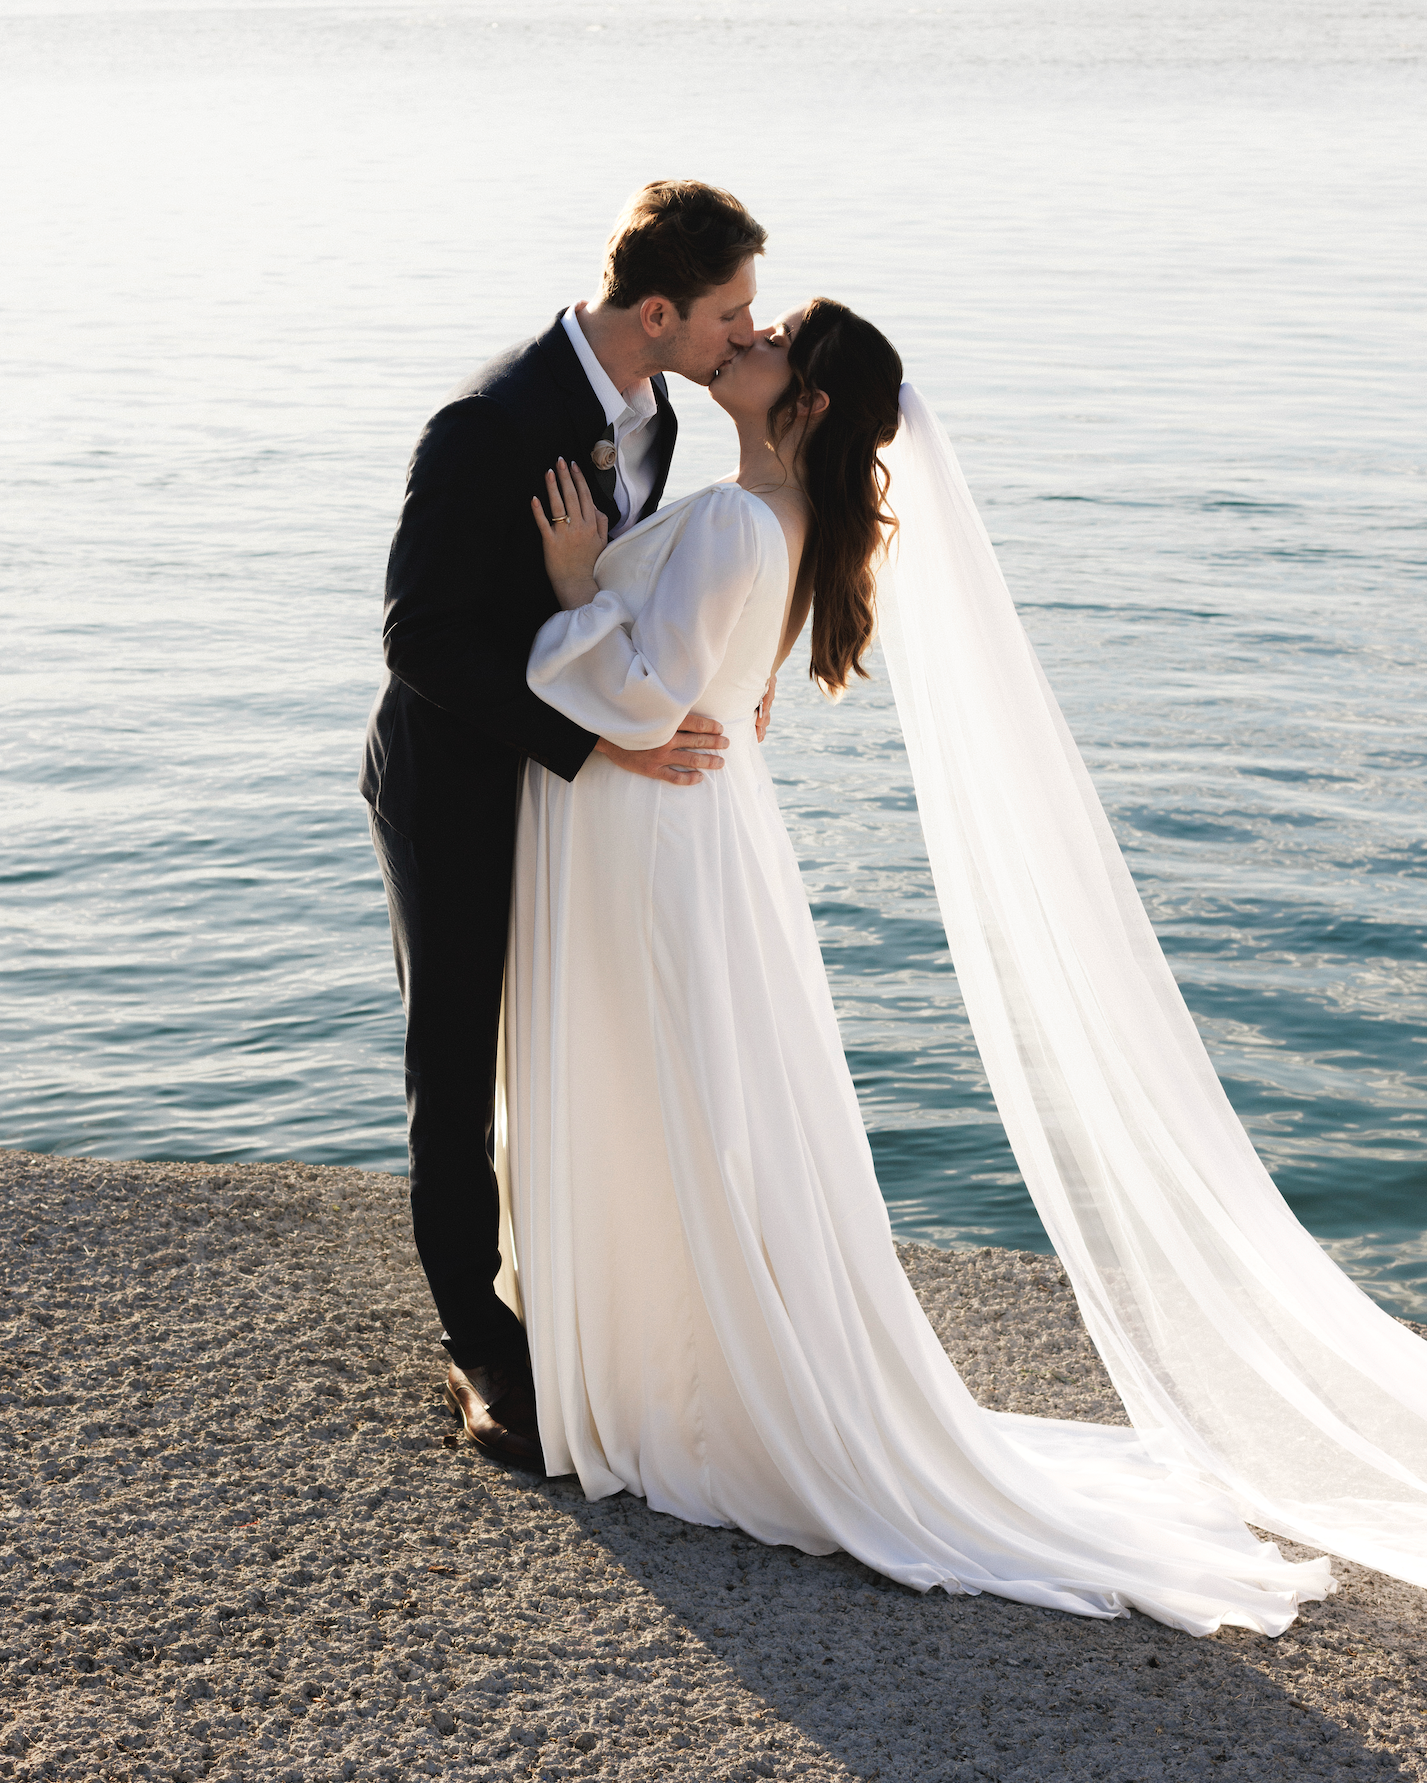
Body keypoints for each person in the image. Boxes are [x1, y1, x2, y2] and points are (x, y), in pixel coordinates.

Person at [505, 297, 1339, 1636]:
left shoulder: (734, 518)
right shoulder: (765, 518)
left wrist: (566, 589)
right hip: (689, 835)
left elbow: (653, 701)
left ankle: (683, 1372)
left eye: (774, 340)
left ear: (811, 403)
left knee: (663, 1089)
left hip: (655, 836)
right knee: (691, 1098)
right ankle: (676, 1348)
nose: (750, 341)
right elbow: (705, 683)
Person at [360, 181, 768, 1469]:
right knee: (455, 1071)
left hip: (568, 792)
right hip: (459, 787)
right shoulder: (488, 421)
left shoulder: (652, 414)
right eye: (730, 314)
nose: (741, 337)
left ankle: (581, 1286)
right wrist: (591, 742)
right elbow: (416, 635)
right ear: (659, 310)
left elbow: (620, 592)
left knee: (563, 1039)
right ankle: (479, 1343)